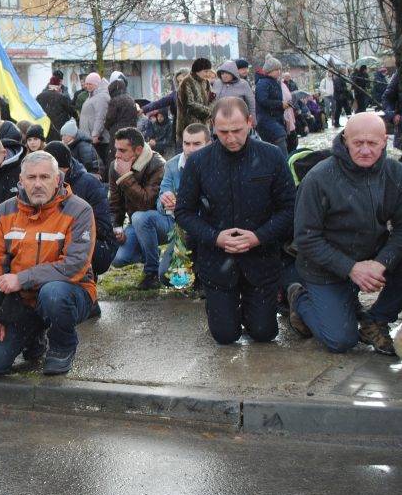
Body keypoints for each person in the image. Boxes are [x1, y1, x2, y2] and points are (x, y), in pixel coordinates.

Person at [175, 98, 295, 346]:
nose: (231, 138)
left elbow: (289, 208)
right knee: (225, 336)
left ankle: (258, 310)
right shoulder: (198, 162)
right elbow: (184, 212)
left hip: (261, 259)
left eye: (237, 130)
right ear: (213, 128)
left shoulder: (271, 156)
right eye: (223, 132)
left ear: (250, 123)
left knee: (263, 333)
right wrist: (215, 237)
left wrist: (259, 236)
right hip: (217, 260)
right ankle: (222, 311)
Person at [287, 113, 402, 356]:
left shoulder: (395, 173)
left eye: (372, 143)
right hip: (324, 267)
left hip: (372, 256)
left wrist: (381, 263)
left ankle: (376, 319)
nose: (365, 150)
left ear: (384, 141)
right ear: (344, 139)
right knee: (341, 340)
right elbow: (306, 238)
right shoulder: (319, 178)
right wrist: (351, 268)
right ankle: (299, 297)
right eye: (357, 142)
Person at [0, 151, 96, 377]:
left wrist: (22, 279)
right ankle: (33, 335)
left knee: (53, 293)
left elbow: (75, 265)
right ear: (21, 181)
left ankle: (63, 344)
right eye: (31, 178)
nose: (37, 184)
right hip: (22, 304)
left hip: (68, 293)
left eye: (44, 177)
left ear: (57, 179)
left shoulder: (79, 210)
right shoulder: (6, 210)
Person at [143, 123, 211, 282]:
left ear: (208, 144)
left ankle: (203, 272)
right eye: (187, 144)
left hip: (211, 227)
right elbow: (161, 204)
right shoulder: (172, 165)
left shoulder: (216, 163)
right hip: (183, 228)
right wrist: (166, 201)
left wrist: (185, 205)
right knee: (166, 276)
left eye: (197, 144)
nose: (191, 149)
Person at [45, 141, 116, 290]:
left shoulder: (89, 184)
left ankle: (86, 289)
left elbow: (103, 227)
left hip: (93, 242)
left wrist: (68, 226)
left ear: (65, 168)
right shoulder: (42, 187)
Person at [107, 127, 167, 288]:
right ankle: (152, 252)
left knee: (140, 217)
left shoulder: (158, 164)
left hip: (163, 222)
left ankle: (152, 272)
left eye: (122, 150)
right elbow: (115, 203)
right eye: (116, 149)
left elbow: (146, 203)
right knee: (117, 259)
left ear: (138, 150)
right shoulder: (116, 166)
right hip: (137, 224)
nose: (117, 155)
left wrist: (126, 177)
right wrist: (116, 226)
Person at [176, 58, 213, 138]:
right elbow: (189, 104)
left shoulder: (205, 82)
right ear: (198, 70)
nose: (208, 74)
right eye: (206, 71)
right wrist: (209, 112)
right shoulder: (186, 82)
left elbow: (212, 98)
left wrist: (213, 108)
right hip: (189, 125)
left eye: (209, 71)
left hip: (205, 125)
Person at [78, 73, 111, 165]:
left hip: (98, 140)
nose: (87, 86)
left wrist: (95, 134)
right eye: (86, 83)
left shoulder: (101, 97)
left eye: (90, 84)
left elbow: (100, 116)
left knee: (100, 162)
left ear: (96, 84)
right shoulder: (92, 95)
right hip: (90, 137)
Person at [105, 75, 139, 144]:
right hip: (131, 131)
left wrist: (107, 126)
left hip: (118, 132)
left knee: (118, 151)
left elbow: (109, 118)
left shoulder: (115, 100)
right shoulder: (130, 99)